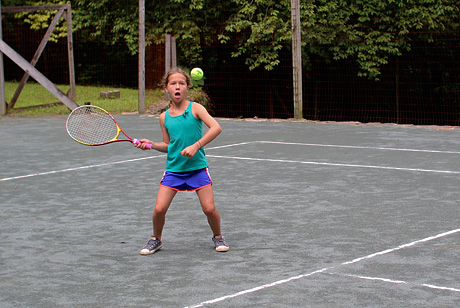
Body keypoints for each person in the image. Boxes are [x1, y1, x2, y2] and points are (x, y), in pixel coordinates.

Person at [135, 67, 229, 255]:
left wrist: (196, 145)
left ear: (187, 87)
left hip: (197, 169)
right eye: (173, 83)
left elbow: (216, 128)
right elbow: (168, 145)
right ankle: (156, 239)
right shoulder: (164, 117)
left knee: (209, 209)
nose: (177, 86)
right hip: (174, 170)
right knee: (159, 209)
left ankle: (218, 235)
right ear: (166, 88)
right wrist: (152, 144)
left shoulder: (196, 108)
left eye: (181, 83)